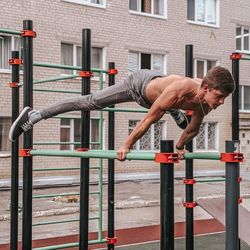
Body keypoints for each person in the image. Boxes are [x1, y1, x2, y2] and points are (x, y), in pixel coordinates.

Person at [9, 66, 235, 161]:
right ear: (206, 89)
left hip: (163, 94)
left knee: (180, 113)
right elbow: (148, 120)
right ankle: (34, 116)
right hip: (139, 85)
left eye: (224, 98)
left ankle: (175, 113)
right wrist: (126, 144)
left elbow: (193, 129)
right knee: (92, 102)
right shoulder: (180, 90)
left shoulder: (205, 103)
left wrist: (180, 148)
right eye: (219, 96)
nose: (222, 102)